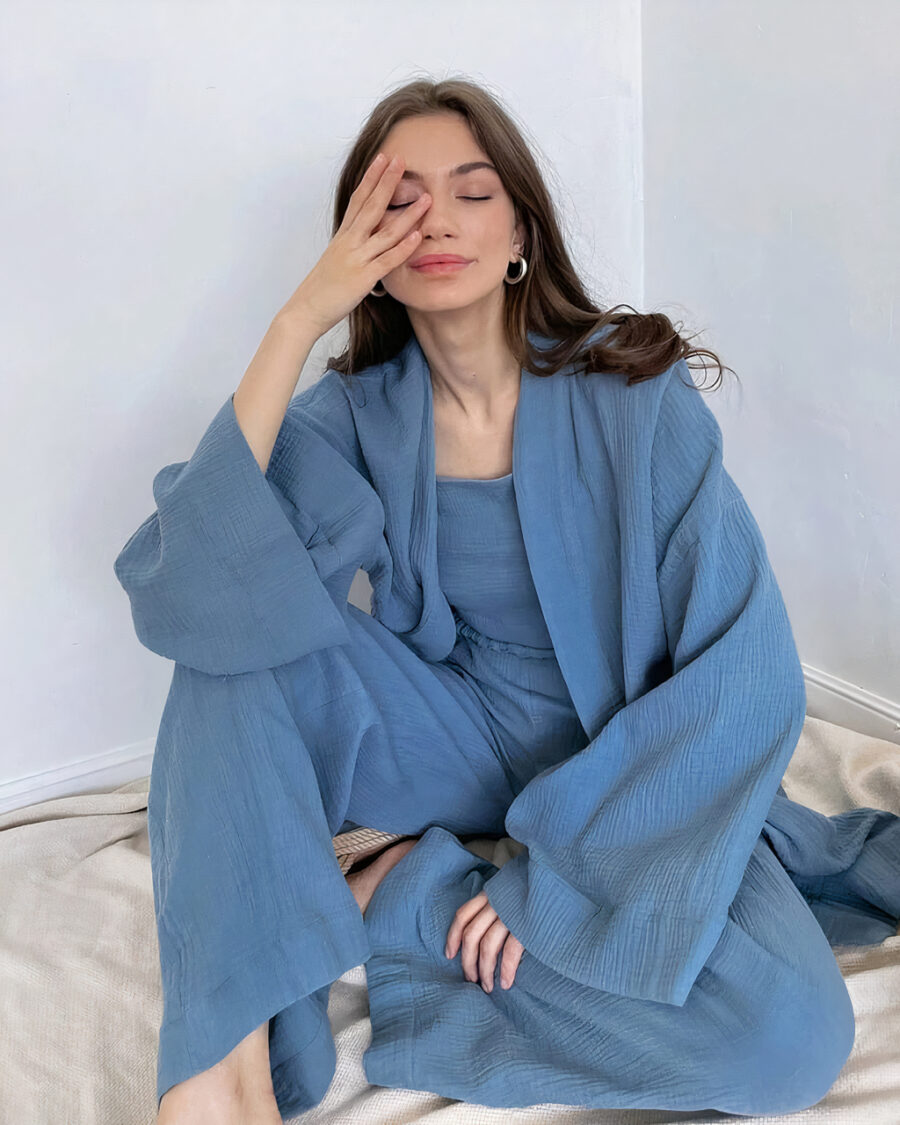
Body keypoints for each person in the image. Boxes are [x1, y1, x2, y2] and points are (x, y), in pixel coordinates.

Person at [114, 78, 900, 1124]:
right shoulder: (356, 417)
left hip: (628, 768)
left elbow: (743, 674)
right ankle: (220, 1077)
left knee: (786, 1042)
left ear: (522, 229)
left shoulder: (636, 398)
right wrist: (299, 319)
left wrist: (555, 889)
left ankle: (402, 896)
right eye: (400, 201)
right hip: (452, 737)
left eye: (473, 192)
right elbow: (187, 587)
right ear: (362, 241)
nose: (436, 220)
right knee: (231, 632)